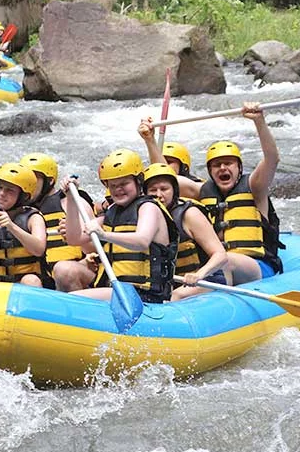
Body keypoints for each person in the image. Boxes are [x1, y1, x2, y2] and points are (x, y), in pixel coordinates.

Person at [139, 102, 283, 284]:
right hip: (218, 266)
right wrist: (150, 141)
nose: (222, 168)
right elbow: (164, 177)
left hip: (257, 266)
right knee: (219, 262)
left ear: (239, 167)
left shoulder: (256, 187)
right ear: (209, 170)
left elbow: (272, 158)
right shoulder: (202, 191)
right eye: (216, 165)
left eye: (228, 163)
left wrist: (259, 121)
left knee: (225, 261)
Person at [55, 149, 178, 302]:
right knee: (63, 271)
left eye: (124, 183)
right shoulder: (112, 213)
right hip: (118, 291)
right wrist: (71, 198)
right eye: (113, 185)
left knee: (74, 300)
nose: (118, 189)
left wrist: (104, 235)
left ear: (138, 181)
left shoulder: (149, 207)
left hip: (146, 294)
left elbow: (142, 241)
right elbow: (75, 239)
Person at [142, 163, 228, 300]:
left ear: (174, 191)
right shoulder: (144, 217)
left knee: (175, 296)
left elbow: (220, 255)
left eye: (164, 189)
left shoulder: (190, 214)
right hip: (170, 284)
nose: (159, 195)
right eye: (153, 190)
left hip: (204, 280)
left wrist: (199, 275)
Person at [20, 152, 92, 289]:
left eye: (34, 180)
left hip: (74, 277)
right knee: (28, 280)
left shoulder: (73, 202)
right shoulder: (18, 211)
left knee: (63, 270)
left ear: (50, 181)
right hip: (40, 281)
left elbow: (95, 247)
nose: (27, 185)